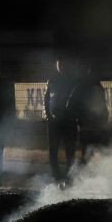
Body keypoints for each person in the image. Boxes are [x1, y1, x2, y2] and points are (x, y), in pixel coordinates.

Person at [43, 57, 78, 185]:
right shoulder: (51, 80)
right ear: (57, 66)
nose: (61, 67)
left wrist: (74, 116)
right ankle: (56, 176)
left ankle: (69, 176)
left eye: (63, 65)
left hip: (69, 121)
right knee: (53, 150)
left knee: (70, 150)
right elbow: (46, 99)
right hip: (54, 122)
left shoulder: (73, 81)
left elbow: (77, 100)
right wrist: (48, 115)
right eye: (59, 65)